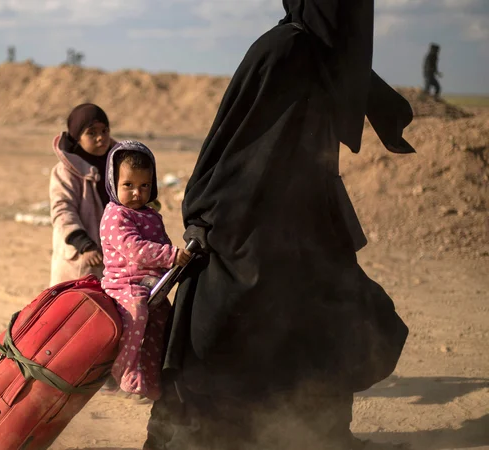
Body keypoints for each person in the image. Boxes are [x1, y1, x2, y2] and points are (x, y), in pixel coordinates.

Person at [145, 1, 414, 449]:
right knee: (225, 318)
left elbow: (358, 85)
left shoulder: (329, 55)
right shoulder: (283, 49)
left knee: (326, 320)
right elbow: (234, 142)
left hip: (310, 219)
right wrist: (208, 217)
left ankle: (317, 433)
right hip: (251, 216)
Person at [99, 141, 191, 401]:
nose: (137, 193)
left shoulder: (151, 215)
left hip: (151, 284)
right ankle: (124, 369)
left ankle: (151, 378)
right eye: (128, 185)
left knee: (163, 319)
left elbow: (160, 245)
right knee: (138, 311)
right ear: (113, 183)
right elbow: (135, 249)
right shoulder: (115, 215)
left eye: (144, 186)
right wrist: (172, 256)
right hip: (124, 284)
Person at [49, 103, 116, 286]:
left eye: (104, 130)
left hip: (115, 262)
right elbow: (62, 211)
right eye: (91, 133)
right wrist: (84, 245)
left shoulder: (118, 165)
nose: (100, 138)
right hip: (81, 261)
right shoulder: (65, 172)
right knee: (78, 310)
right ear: (77, 138)